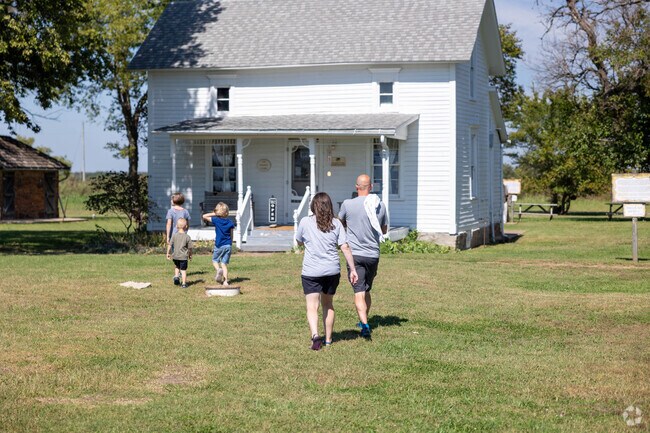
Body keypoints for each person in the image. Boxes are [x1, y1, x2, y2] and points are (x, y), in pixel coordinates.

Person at [295, 192, 358, 350]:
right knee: (328, 304)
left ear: (313, 206)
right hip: (332, 271)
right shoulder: (336, 223)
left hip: (311, 272)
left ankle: (316, 336)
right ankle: (329, 340)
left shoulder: (305, 222)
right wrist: (353, 269)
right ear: (329, 206)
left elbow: (298, 241)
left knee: (312, 306)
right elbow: (345, 247)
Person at [338, 174, 388, 339]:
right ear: (371, 187)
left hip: (355, 255)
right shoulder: (380, 206)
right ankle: (363, 320)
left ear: (356, 186)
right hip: (373, 254)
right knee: (366, 288)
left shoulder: (347, 204)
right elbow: (384, 230)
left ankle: (365, 325)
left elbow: (339, 223)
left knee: (358, 291)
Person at [202, 202, 235, 286]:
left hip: (219, 245)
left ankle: (218, 270)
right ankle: (226, 281)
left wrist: (214, 213)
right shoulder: (230, 222)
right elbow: (231, 235)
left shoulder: (216, 220)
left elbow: (204, 216)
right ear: (227, 213)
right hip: (228, 245)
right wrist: (230, 243)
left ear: (217, 212)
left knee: (215, 260)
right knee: (224, 264)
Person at [166, 218, 193, 288]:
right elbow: (190, 248)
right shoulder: (187, 237)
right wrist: (190, 255)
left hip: (175, 256)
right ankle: (184, 284)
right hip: (183, 257)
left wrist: (168, 253)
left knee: (177, 267)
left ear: (176, 226)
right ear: (186, 226)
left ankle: (176, 277)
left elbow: (170, 245)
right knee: (183, 270)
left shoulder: (174, 235)